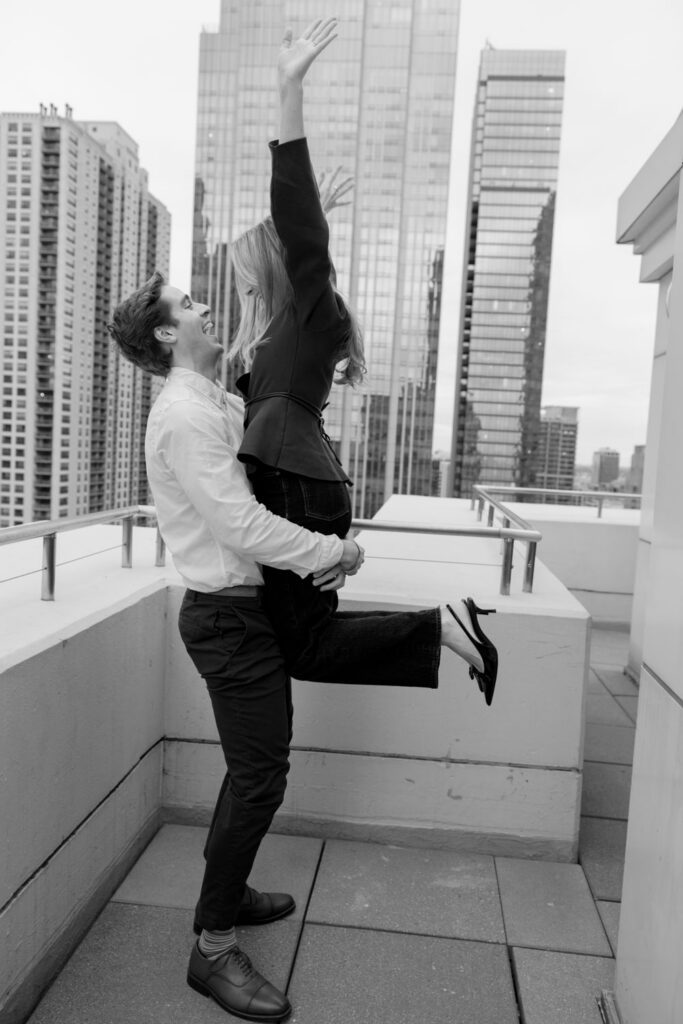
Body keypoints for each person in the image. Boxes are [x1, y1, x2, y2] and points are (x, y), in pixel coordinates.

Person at [229, 17, 498, 698]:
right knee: (303, 641)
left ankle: (443, 626)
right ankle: (444, 628)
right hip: (301, 479)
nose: (243, 288)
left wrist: (289, 90)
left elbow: (296, 226)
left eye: (247, 274)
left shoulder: (308, 310)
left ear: (275, 269)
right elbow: (296, 236)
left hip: (294, 480)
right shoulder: (295, 328)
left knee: (306, 647)